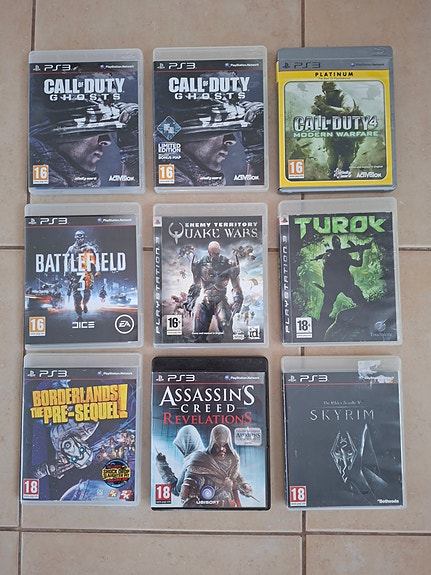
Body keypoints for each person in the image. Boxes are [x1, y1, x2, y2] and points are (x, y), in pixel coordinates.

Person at [155, 87, 265, 187]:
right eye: (219, 124)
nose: (232, 141)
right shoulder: (159, 178)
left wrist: (257, 157)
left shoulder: (166, 173)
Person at [29, 96, 139, 188]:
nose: (107, 141)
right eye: (96, 128)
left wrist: (131, 155)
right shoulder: (36, 178)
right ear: (63, 129)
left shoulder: (51, 179)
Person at [180, 424, 253, 508]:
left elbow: (239, 480)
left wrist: (245, 487)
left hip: (229, 509)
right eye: (218, 445)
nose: (221, 449)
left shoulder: (231, 464)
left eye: (224, 445)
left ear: (228, 446)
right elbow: (187, 493)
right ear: (212, 444)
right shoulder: (201, 461)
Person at [184, 241, 243, 342]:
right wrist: (190, 300)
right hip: (206, 301)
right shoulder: (200, 264)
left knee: (226, 329)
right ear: (209, 253)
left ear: (219, 252)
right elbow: (196, 285)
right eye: (213, 253)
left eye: (217, 253)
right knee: (199, 332)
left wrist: (237, 300)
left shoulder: (228, 264)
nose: (215, 256)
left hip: (221, 301)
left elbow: (236, 285)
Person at [311, 81, 364, 178]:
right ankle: (332, 174)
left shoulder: (345, 97)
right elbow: (314, 111)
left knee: (348, 156)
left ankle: (345, 172)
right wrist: (317, 109)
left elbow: (346, 110)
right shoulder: (324, 99)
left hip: (350, 131)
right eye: (326, 91)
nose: (328, 94)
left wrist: (326, 107)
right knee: (332, 154)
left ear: (336, 91)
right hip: (333, 131)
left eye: (330, 91)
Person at [315, 236, 372, 326]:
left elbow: (326, 268)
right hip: (343, 284)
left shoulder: (330, 256)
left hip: (337, 285)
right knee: (358, 299)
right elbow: (358, 263)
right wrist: (360, 253)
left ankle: (322, 323)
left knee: (328, 305)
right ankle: (322, 323)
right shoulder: (341, 256)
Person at [155, 425, 205, 498]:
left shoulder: (191, 462)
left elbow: (177, 490)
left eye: (182, 446)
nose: (182, 450)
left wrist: (162, 465)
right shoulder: (206, 457)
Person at [64, 230, 98, 320]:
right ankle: (79, 314)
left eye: (81, 237)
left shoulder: (88, 248)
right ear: (75, 238)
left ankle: (85, 304)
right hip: (75, 274)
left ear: (84, 238)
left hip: (86, 273)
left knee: (87, 293)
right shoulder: (71, 249)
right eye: (78, 237)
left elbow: (95, 260)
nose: (79, 239)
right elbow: (66, 259)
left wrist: (96, 270)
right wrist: (66, 271)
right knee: (76, 296)